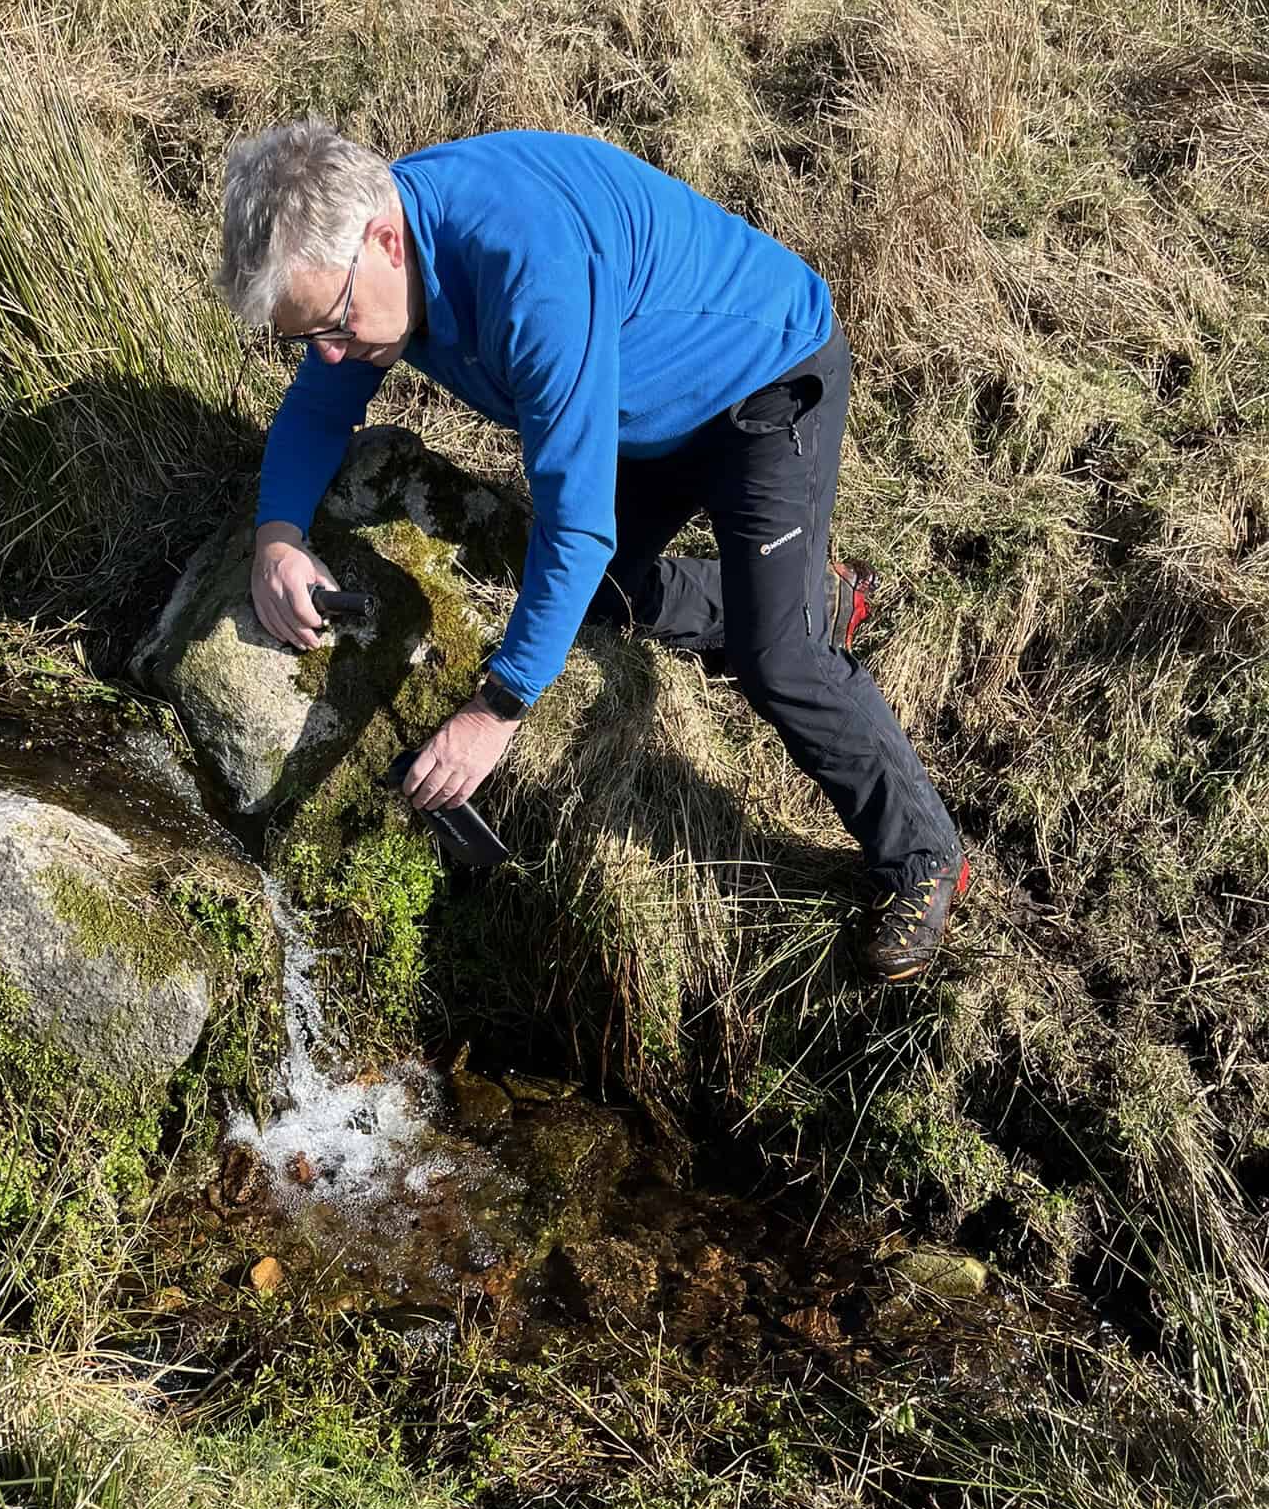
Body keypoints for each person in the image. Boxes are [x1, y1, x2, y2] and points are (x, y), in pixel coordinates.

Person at [215, 121, 968, 982]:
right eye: (305, 334)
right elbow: (320, 406)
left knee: (778, 659)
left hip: (764, 381)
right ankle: (813, 596)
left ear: (386, 241)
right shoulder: (367, 259)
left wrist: (493, 712)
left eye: (336, 323)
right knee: (595, 599)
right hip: (639, 408)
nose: (331, 352)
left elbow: (574, 527)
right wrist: (278, 536)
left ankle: (921, 854)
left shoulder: (523, 268)